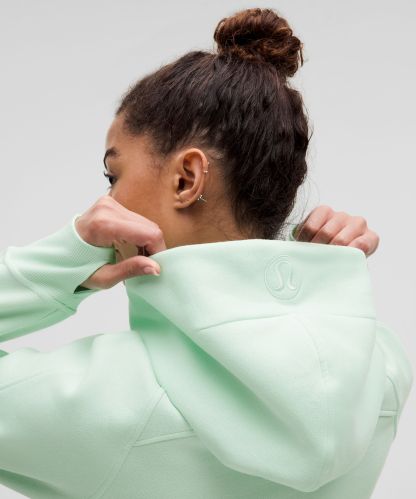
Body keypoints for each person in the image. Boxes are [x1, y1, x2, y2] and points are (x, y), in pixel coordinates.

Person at [0, 7, 412, 499]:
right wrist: (313, 278)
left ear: (186, 179)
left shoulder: (104, 399)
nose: (105, 203)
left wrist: (68, 258)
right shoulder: (381, 370)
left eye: (114, 175)